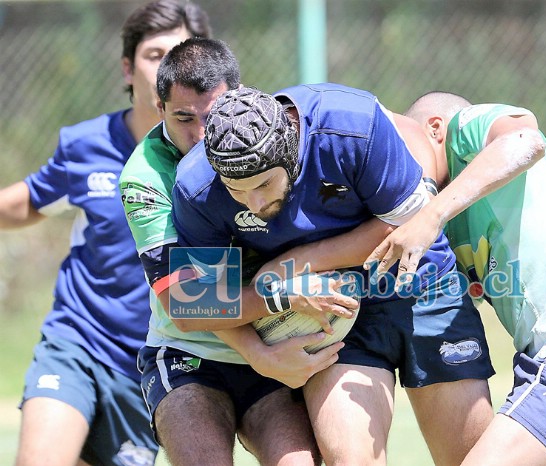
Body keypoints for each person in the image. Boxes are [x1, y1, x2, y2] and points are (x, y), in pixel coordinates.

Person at [170, 84, 496, 466]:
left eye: (263, 185)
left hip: (421, 281)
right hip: (334, 316)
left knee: (472, 458)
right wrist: (255, 352)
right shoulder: (197, 186)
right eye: (237, 191)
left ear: (291, 153)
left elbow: (408, 224)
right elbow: (197, 301)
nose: (254, 204)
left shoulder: (351, 125)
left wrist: (296, 263)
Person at [365, 91, 546, 465]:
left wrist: (431, 215)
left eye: (403, 150)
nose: (399, 168)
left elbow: (524, 140)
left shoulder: (464, 129)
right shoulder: (450, 218)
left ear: (433, 130)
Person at [0, 1, 211, 465]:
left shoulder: (217, 166)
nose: (164, 70)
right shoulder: (86, 145)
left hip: (152, 361)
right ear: (128, 68)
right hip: (76, 339)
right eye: (155, 55)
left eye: (177, 56)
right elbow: (24, 203)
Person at [120, 37, 326, 465]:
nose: (199, 136)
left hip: (276, 339)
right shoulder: (143, 178)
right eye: (182, 118)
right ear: (158, 111)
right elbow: (186, 302)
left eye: (210, 117)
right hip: (188, 353)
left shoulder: (273, 142)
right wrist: (280, 300)